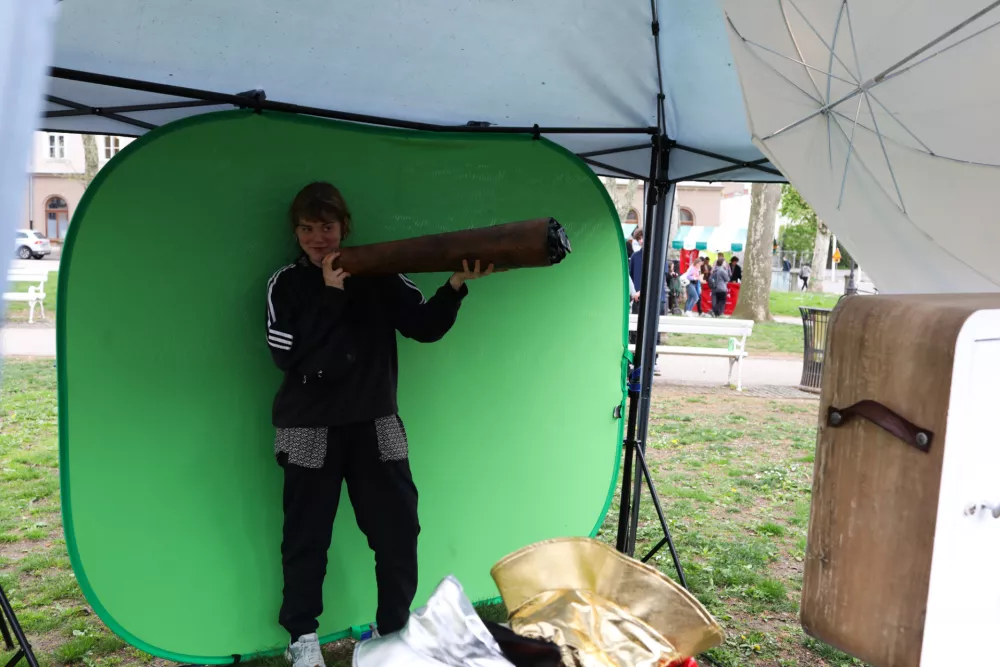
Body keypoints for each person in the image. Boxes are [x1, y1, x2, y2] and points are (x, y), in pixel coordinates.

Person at [266, 182, 495, 667]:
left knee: (398, 530)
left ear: (343, 226)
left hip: (376, 422)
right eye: (306, 228)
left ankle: (394, 630)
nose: (317, 237)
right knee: (307, 535)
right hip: (309, 428)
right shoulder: (285, 283)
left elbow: (423, 326)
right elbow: (285, 354)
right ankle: (302, 638)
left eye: (326, 226)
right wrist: (329, 294)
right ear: (296, 232)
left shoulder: (379, 272)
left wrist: (454, 285)